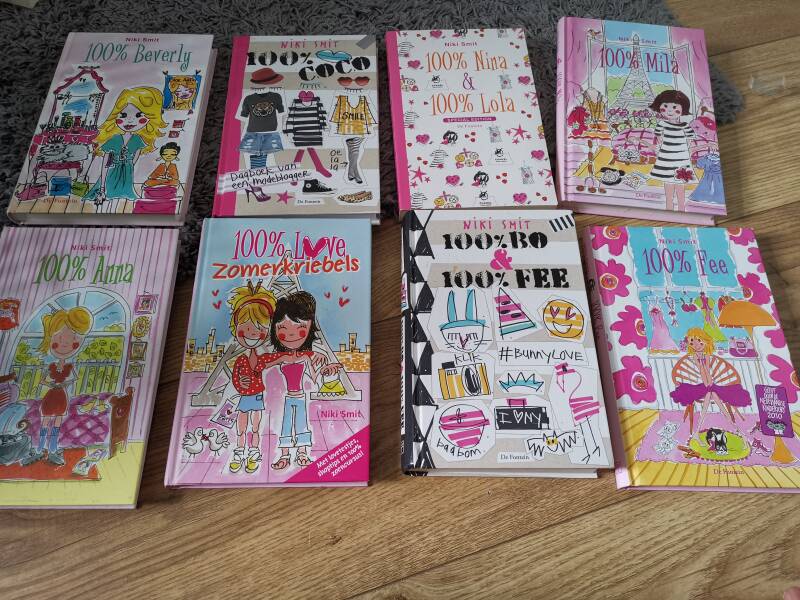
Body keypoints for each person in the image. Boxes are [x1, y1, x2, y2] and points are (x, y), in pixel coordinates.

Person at [269, 292, 339, 470]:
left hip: (300, 397)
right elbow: (264, 363)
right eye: (283, 330)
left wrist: (326, 369)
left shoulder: (305, 358)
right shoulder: (282, 358)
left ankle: (302, 454)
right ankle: (284, 456)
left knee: (301, 424)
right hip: (288, 397)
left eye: (299, 330)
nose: (291, 335)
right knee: (286, 425)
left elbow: (314, 377)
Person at [84, 87, 167, 206]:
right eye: (123, 115)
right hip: (111, 174)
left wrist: (128, 167)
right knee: (109, 200)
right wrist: (102, 187)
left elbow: (135, 159)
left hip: (127, 175)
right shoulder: (114, 139)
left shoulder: (138, 139)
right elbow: (106, 163)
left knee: (124, 201)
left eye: (138, 115)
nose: (130, 120)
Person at [36, 307, 92, 466]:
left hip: (61, 395)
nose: (64, 345)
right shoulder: (51, 366)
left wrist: (66, 383)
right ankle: (41, 445)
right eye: (57, 341)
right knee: (46, 419)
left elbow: (75, 378)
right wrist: (50, 384)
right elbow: (42, 381)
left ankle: (52, 445)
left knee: (58, 419)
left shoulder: (69, 367)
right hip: (51, 395)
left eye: (72, 342)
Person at [671, 328, 751, 434]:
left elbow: (708, 378)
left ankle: (699, 429)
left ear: (705, 340)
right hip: (703, 386)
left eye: (699, 341)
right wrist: (700, 363)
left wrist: (703, 362)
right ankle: (734, 427)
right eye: (692, 343)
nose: (696, 345)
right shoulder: (695, 355)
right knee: (711, 394)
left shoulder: (707, 355)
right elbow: (705, 380)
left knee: (711, 394)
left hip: (710, 385)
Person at [647, 90, 696, 212]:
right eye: (665, 106)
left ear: (683, 108)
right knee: (668, 182)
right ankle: (669, 206)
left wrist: (684, 151)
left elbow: (690, 140)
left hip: (681, 158)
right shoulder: (662, 124)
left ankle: (681, 208)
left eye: (674, 107)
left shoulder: (685, 125)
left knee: (680, 183)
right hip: (666, 157)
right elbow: (658, 137)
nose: (669, 110)